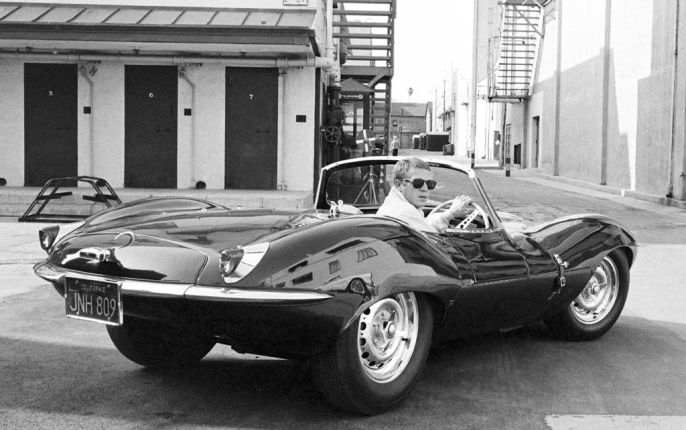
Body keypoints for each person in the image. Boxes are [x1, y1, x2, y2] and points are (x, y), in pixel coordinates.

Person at [377, 157, 472, 233]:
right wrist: (451, 213)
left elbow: (423, 223)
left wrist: (449, 214)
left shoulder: (396, 204)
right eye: (418, 183)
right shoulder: (402, 212)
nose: (425, 189)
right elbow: (434, 240)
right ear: (399, 184)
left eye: (430, 184)